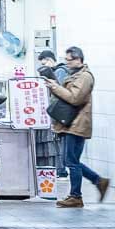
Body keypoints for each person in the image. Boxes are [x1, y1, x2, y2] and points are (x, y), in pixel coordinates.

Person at [44, 46, 110, 208]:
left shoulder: (85, 77)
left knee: (71, 162)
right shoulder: (74, 74)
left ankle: (76, 196)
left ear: (78, 59)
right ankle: (98, 181)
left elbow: (75, 98)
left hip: (77, 124)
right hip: (71, 123)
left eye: (69, 60)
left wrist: (55, 87)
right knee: (72, 161)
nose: (67, 63)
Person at [35, 49, 69, 181]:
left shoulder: (60, 72)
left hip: (60, 112)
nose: (44, 66)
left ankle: (62, 170)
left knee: (60, 141)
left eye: (45, 63)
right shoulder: (58, 71)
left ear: (50, 60)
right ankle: (61, 169)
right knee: (59, 141)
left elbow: (58, 91)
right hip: (59, 111)